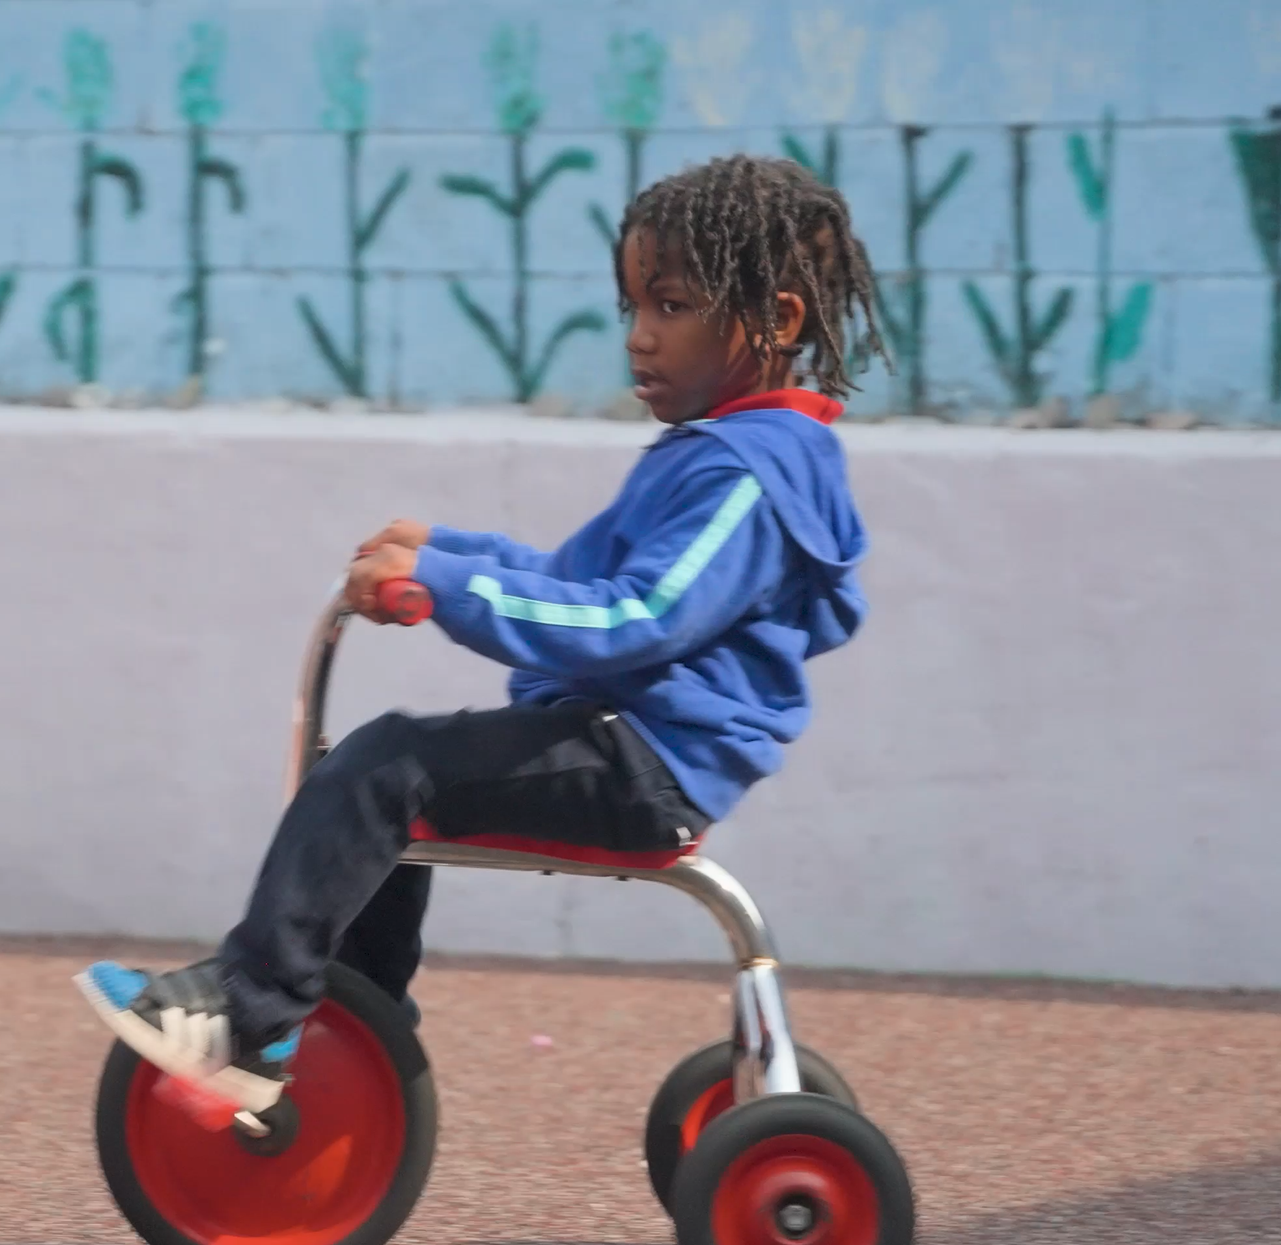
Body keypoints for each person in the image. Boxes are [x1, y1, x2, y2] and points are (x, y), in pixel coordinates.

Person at [77, 154, 889, 1115]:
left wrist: (447, 590)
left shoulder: (749, 475)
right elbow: (577, 581)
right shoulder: (721, 456)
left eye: (670, 308)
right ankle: (346, 1028)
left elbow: (632, 619)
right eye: (633, 307)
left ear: (779, 322)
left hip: (645, 766)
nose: (640, 339)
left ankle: (250, 1016)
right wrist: (448, 551)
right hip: (625, 740)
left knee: (387, 768)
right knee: (387, 789)